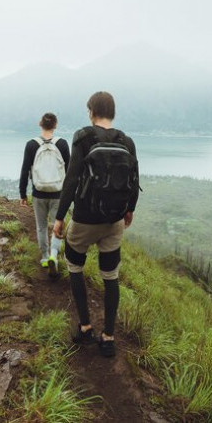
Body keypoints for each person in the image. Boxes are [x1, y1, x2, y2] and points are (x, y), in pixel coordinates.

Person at [53, 91, 139, 357]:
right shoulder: (127, 141)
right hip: (114, 220)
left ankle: (86, 327)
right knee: (110, 276)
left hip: (85, 219)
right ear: (112, 112)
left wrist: (59, 217)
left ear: (91, 111)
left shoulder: (83, 137)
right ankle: (109, 337)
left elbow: (71, 180)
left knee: (75, 266)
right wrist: (129, 210)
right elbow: (134, 179)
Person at [19, 112, 70, 277]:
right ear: (55, 125)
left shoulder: (31, 145)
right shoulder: (62, 144)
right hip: (58, 193)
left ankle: (44, 257)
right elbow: (69, 172)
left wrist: (22, 194)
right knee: (58, 226)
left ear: (41, 125)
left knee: (41, 227)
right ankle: (54, 257)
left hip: (38, 193)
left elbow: (25, 170)